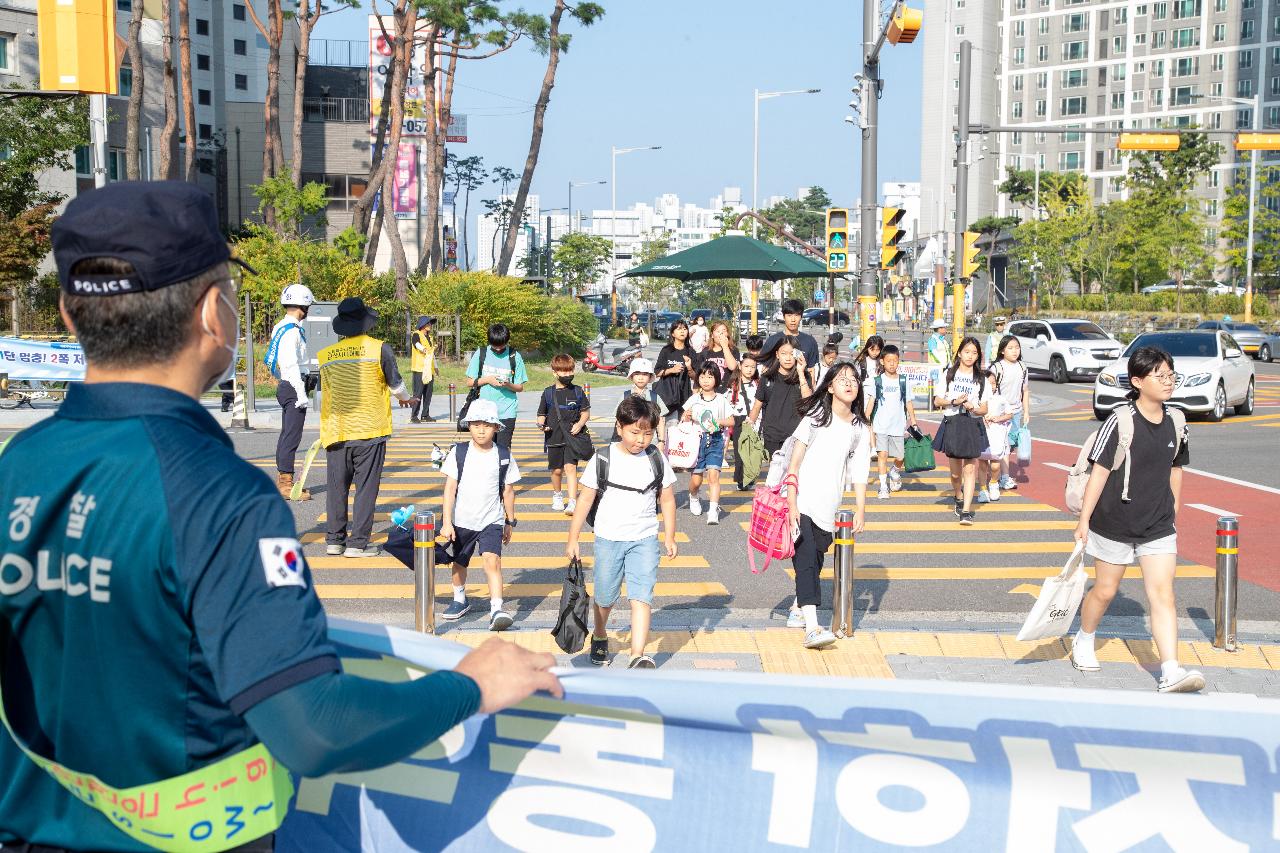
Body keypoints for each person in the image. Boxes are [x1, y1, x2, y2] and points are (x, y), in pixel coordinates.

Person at [0, 180, 558, 852]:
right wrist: (467, 686)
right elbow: (315, 726)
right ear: (215, 314)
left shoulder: (18, 464)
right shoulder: (219, 493)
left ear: (66, 314)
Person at [1071, 346, 1203, 694]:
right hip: (1115, 521)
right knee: (1105, 590)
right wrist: (1084, 520)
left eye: (1170, 374)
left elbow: (1176, 468)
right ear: (1137, 381)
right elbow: (1099, 472)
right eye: (1160, 375)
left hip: (1157, 525)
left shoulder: (1177, 420)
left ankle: (1170, 670)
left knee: (1163, 595)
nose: (1168, 381)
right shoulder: (1121, 420)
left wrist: (1173, 511)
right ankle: (1084, 638)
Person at [568, 395, 678, 669]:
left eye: (647, 433)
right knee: (604, 597)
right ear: (619, 427)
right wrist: (573, 538)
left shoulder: (657, 459)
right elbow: (585, 499)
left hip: (644, 538)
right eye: (635, 432)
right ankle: (601, 635)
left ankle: (636, 654)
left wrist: (669, 535)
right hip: (609, 537)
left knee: (641, 596)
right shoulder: (603, 458)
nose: (641, 440)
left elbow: (667, 499)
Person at [320, 296, 416, 558]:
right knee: (365, 488)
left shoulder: (325, 355)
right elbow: (395, 384)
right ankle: (357, 543)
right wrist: (406, 399)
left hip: (336, 430)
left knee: (337, 488)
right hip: (369, 430)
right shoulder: (379, 348)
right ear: (365, 323)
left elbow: (326, 391)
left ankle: (334, 540)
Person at [784, 361, 871, 648]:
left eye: (854, 380)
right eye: (842, 379)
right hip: (802, 501)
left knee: (817, 558)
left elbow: (860, 472)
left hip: (829, 506)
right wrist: (792, 503)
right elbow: (794, 463)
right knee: (807, 559)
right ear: (830, 387)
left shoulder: (859, 428)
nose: (849, 383)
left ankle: (797, 607)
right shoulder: (816, 416)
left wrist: (860, 508)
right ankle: (812, 626)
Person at [440, 399, 523, 630]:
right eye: (476, 424)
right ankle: (459, 598)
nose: (481, 429)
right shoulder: (459, 452)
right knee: (459, 563)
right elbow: (449, 489)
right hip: (462, 520)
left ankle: (497, 608)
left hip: (492, 520)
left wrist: (509, 521)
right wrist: (447, 522)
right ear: (468, 426)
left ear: (496, 427)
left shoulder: (504, 454)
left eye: (487, 425)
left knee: (492, 561)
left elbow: (508, 491)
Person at [932, 336, 989, 526]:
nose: (970, 356)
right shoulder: (948, 374)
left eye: (974, 353)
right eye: (967, 352)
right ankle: (958, 494)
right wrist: (953, 401)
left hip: (973, 424)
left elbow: (985, 409)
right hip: (953, 422)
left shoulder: (981, 379)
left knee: (970, 468)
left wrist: (974, 407)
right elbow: (937, 401)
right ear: (959, 353)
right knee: (956, 474)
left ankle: (966, 510)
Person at [267, 283, 314, 500]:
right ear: (302, 306)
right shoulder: (292, 331)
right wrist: (301, 393)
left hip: (288, 385)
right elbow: (290, 364)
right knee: (291, 436)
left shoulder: (281, 326)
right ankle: (285, 484)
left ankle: (283, 480)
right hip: (293, 386)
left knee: (287, 434)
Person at [536, 353, 590, 515]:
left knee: (570, 468)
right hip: (554, 437)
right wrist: (541, 425)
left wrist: (580, 424)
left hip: (573, 437)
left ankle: (572, 502)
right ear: (555, 373)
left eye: (570, 371)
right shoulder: (547, 393)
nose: (568, 375)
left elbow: (585, 413)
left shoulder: (578, 392)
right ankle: (557, 495)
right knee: (556, 470)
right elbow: (541, 415)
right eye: (564, 372)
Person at [863, 344, 917, 500]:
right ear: (882, 362)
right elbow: (871, 402)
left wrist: (913, 421)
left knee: (900, 457)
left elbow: (908, 402)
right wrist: (865, 418)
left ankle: (894, 471)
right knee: (883, 455)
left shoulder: (903, 381)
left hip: (898, 426)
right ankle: (883, 487)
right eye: (889, 361)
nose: (892, 364)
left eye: (895, 360)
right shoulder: (877, 381)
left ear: (899, 361)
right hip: (881, 426)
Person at [682, 364, 733, 524]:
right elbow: (684, 416)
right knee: (696, 480)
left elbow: (731, 420)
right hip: (696, 441)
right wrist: (687, 416)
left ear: (716, 379)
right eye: (703, 376)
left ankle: (713, 510)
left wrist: (719, 421)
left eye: (710, 377)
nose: (705, 380)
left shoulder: (721, 399)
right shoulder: (694, 398)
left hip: (715, 440)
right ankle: (694, 496)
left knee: (713, 476)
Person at [465, 322, 528, 449]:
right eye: (495, 346)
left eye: (502, 345)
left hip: (507, 411)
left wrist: (507, 384)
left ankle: (502, 469)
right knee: (484, 448)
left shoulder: (515, 356)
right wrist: (488, 379)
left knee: (503, 450)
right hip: (484, 412)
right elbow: (470, 382)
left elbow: (520, 387)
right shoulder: (481, 353)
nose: (498, 349)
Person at [749, 336, 813, 457]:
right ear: (777, 354)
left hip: (797, 436)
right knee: (775, 474)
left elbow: (808, 402)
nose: (788, 358)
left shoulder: (803, 376)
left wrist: (800, 372)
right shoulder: (767, 378)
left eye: (791, 353)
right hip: (772, 436)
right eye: (784, 353)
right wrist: (748, 428)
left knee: (792, 474)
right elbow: (757, 406)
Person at [988, 334, 1030, 494]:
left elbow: (1025, 390)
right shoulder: (996, 368)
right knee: (1003, 445)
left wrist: (1026, 411)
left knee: (1010, 445)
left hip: (1016, 411)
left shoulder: (1022, 367)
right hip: (999, 413)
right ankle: (1004, 476)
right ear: (1002, 351)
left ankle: (997, 472)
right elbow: (988, 390)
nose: (1015, 351)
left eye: (1017, 348)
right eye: (1010, 348)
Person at [975, 371, 1014, 504]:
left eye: (994, 383)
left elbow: (1009, 414)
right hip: (981, 433)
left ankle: (993, 483)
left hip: (997, 434)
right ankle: (982, 490)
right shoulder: (977, 399)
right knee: (982, 463)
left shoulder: (1001, 399)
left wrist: (997, 418)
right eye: (989, 383)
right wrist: (981, 417)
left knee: (995, 464)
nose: (992, 386)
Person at [761, 298, 820, 380]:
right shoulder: (772, 341)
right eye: (789, 315)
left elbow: (811, 370)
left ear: (801, 317)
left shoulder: (810, 341)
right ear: (784, 317)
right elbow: (765, 369)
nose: (793, 320)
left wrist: (812, 390)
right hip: (776, 389)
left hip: (801, 389)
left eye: (796, 315)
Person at [654, 319, 695, 432]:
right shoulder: (667, 350)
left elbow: (696, 377)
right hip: (667, 395)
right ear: (673, 333)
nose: (682, 331)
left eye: (685, 328)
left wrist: (689, 367)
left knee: (681, 430)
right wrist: (671, 370)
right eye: (679, 329)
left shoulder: (690, 351)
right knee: (665, 428)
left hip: (684, 395)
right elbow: (657, 372)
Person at [616, 356, 668, 445]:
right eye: (637, 374)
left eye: (644, 374)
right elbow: (618, 419)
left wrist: (661, 441)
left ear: (650, 377)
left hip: (650, 441)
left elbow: (661, 421)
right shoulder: (626, 396)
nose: (640, 377)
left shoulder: (655, 397)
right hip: (628, 441)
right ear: (632, 376)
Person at [729, 353, 762, 490]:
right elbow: (728, 403)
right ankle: (741, 480)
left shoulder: (758, 384)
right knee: (739, 451)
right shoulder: (734, 384)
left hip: (754, 420)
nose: (749, 369)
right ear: (740, 366)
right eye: (746, 366)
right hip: (738, 420)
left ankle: (749, 476)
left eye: (753, 367)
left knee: (752, 451)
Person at [696, 320, 739, 392]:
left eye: (724, 331)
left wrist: (725, 346)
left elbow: (732, 367)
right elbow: (699, 373)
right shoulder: (705, 352)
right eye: (718, 331)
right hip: (709, 391)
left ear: (727, 334)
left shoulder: (733, 350)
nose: (721, 333)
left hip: (727, 391)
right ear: (712, 335)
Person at [410, 314, 437, 422]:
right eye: (428, 323)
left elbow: (432, 354)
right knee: (418, 393)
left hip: (429, 369)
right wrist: (423, 349)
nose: (430, 325)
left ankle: (425, 415)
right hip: (419, 369)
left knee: (428, 393)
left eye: (430, 323)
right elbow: (416, 344)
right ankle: (414, 416)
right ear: (422, 324)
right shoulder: (416, 334)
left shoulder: (430, 337)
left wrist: (436, 367)